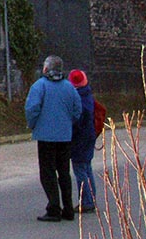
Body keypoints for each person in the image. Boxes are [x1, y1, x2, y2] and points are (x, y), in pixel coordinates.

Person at [25, 55, 82, 222]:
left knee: (48, 173)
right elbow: (77, 109)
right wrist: (67, 123)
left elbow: (32, 108)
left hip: (45, 137)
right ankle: (68, 208)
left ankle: (54, 208)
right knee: (64, 172)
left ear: (45, 69)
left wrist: (33, 124)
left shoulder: (39, 86)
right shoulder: (69, 87)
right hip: (65, 137)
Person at [68, 69, 97, 213]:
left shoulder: (76, 100)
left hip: (80, 139)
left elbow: (76, 122)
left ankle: (86, 201)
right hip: (89, 136)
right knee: (87, 168)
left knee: (80, 170)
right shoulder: (88, 94)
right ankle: (91, 198)